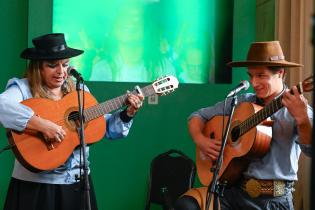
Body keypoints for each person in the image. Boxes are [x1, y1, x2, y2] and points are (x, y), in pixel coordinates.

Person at [0, 33, 144, 210]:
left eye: (65, 65)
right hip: (36, 187)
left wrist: (127, 114)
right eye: (52, 66)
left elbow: (101, 127)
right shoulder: (22, 88)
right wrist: (42, 125)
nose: (61, 71)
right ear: (38, 67)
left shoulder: (79, 89)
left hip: (77, 184)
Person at [174, 41, 312, 210]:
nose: (254, 83)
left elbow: (310, 150)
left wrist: (303, 119)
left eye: (261, 76)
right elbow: (197, 116)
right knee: (186, 206)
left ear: (281, 73)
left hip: (272, 201)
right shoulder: (242, 101)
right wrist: (201, 139)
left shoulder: (300, 109)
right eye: (250, 75)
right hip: (234, 194)